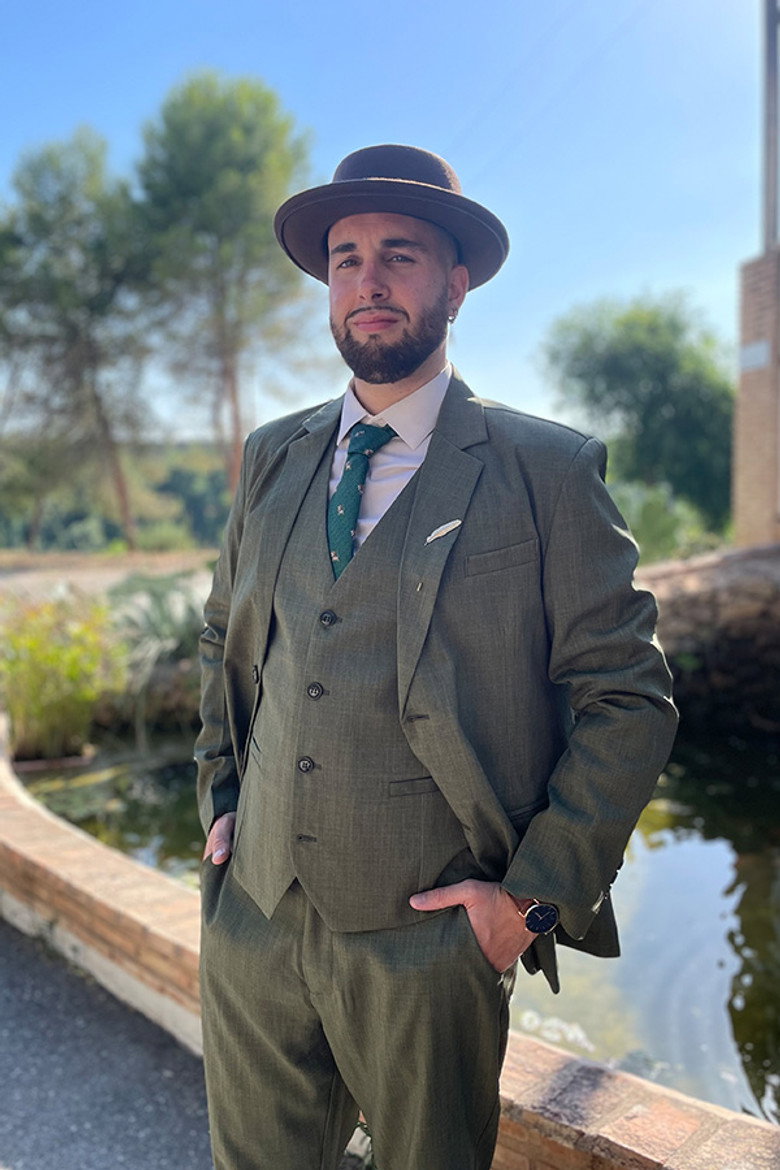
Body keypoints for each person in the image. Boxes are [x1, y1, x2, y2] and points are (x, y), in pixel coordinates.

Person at [196, 144, 677, 1170]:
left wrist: (528, 904)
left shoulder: (547, 470)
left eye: (400, 256)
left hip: (430, 947)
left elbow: (628, 700)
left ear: (456, 285)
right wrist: (220, 802)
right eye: (347, 258)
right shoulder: (272, 456)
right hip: (254, 921)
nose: (368, 281)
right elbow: (221, 638)